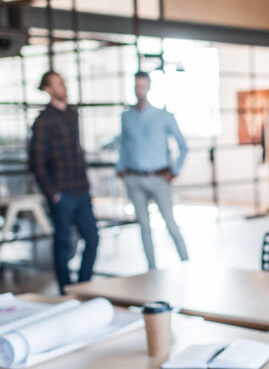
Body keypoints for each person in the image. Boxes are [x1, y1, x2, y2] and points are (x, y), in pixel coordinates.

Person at [29, 71, 99, 294]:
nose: (63, 87)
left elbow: (77, 152)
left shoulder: (71, 115)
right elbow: (37, 162)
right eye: (58, 84)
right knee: (63, 244)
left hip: (81, 189)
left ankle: (83, 285)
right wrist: (52, 193)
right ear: (48, 89)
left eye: (63, 83)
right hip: (61, 193)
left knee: (92, 238)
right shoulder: (43, 121)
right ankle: (66, 290)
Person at [116, 71, 189, 270]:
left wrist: (174, 171)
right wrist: (120, 169)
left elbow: (183, 146)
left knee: (170, 225)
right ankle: (152, 270)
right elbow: (124, 145)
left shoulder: (163, 115)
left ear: (148, 87)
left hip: (159, 178)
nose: (140, 90)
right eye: (137, 86)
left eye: (143, 86)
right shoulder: (127, 117)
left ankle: (187, 264)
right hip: (134, 178)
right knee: (144, 228)